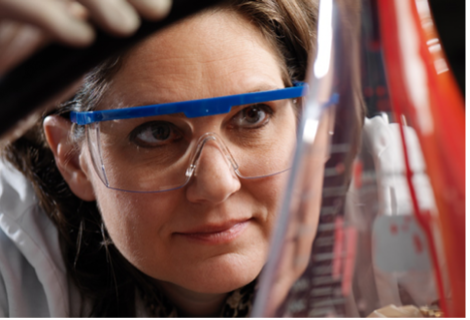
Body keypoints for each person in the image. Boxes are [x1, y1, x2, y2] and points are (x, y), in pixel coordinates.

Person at [0, 0, 324, 317]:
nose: (217, 184)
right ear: (73, 159)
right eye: (157, 132)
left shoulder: (367, 197)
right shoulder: (11, 263)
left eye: (253, 115)